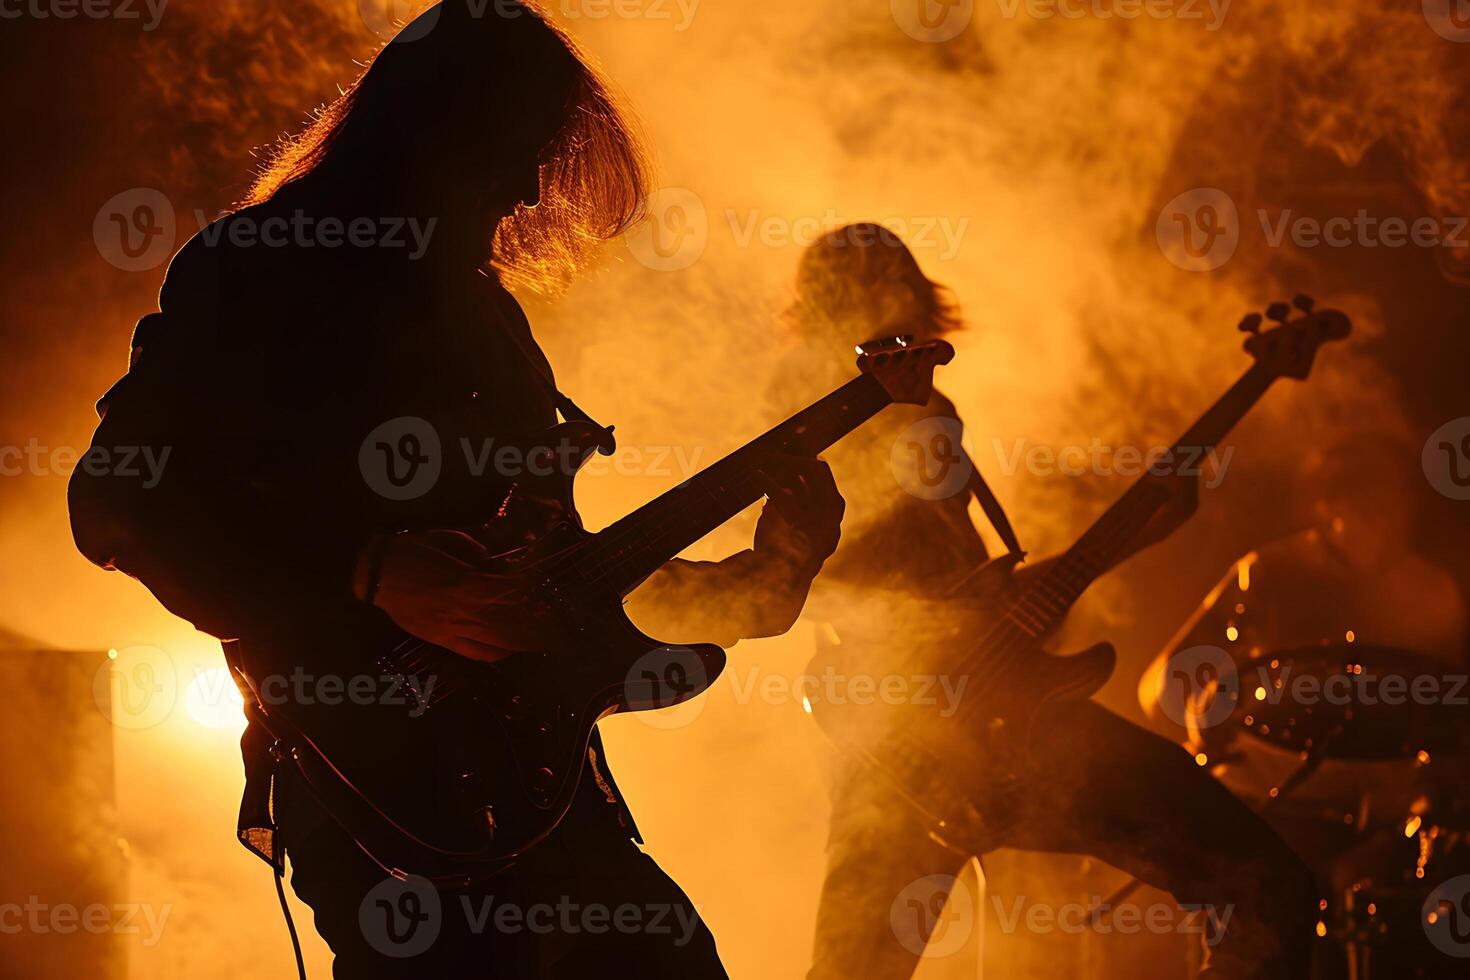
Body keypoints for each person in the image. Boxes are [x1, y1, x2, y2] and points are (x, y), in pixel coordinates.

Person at [67, 3, 843, 976]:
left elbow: (566, 588)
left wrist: (773, 575)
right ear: (436, 131)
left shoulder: (486, 318)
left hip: (548, 801)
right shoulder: (258, 273)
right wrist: (370, 567)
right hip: (386, 805)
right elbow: (119, 500)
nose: (525, 187)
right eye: (514, 149)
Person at [771, 223, 1318, 980]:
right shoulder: (799, 409)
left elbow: (972, 580)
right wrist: (929, 623)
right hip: (897, 732)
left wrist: (1133, 533)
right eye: (870, 288)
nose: (893, 305)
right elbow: (785, 581)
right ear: (832, 309)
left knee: (1272, 891)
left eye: (901, 286)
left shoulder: (936, 411)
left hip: (1018, 716)